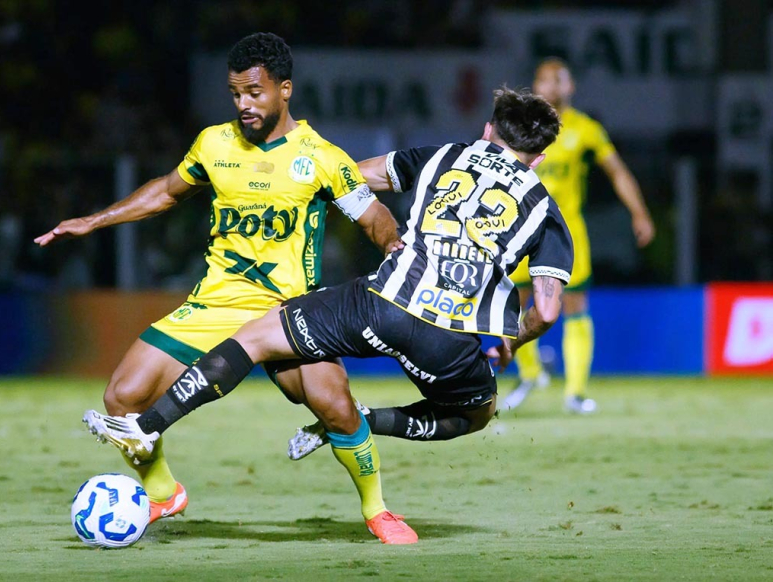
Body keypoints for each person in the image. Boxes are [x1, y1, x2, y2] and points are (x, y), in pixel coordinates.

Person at [83, 87, 573, 540]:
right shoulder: (546, 210)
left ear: (488, 130)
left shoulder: (445, 156)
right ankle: (372, 428)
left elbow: (356, 178)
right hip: (448, 341)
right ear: (541, 158)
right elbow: (547, 310)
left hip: (379, 304)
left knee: (255, 338)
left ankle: (149, 424)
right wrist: (512, 340)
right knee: (474, 415)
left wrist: (290, 184)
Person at [35, 33, 411, 543]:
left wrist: (394, 248)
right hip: (216, 302)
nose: (244, 104)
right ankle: (165, 494)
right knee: (122, 398)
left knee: (336, 406)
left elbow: (374, 217)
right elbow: (167, 192)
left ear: (285, 89)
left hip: (284, 311)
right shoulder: (215, 143)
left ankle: (377, 509)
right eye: (236, 93)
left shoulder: (321, 157)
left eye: (255, 92)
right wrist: (94, 220)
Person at [502, 58, 655, 414]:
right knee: (512, 303)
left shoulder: (585, 128)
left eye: (559, 79)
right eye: (544, 79)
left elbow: (617, 171)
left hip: (565, 232)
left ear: (570, 87)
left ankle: (575, 392)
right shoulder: (521, 129)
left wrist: (639, 211)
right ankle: (532, 373)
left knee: (574, 305)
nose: (552, 85)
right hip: (519, 229)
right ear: (535, 86)